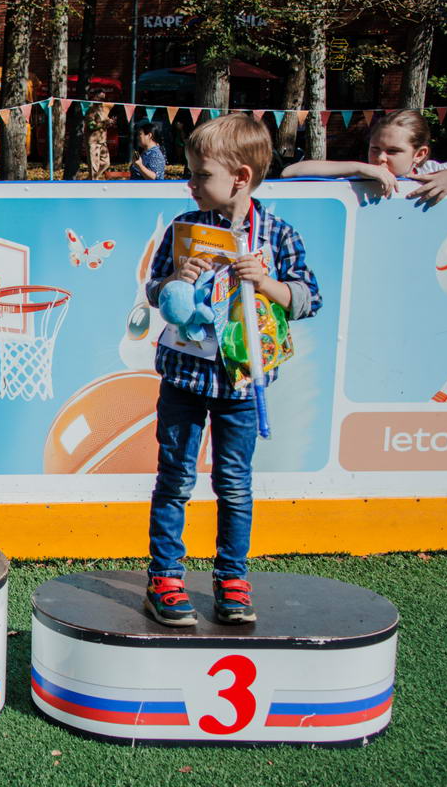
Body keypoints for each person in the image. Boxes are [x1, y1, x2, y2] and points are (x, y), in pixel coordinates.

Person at [143, 113, 321, 627]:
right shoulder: (184, 228)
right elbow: (154, 292)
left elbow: (308, 299)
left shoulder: (278, 235)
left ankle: (232, 579)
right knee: (175, 479)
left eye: (201, 175)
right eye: (190, 173)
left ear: (240, 178)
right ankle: (165, 578)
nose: (191, 183)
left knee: (235, 484)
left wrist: (266, 283)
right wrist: (175, 279)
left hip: (243, 383)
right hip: (184, 377)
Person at [281, 108, 447, 204]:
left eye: (393, 151)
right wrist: (357, 168)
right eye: (375, 149)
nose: (380, 158)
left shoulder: (434, 172)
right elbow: (289, 172)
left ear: (420, 154)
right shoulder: (361, 174)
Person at [85, 91, 112, 180]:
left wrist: (110, 122)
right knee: (94, 168)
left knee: (106, 163)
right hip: (93, 142)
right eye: (100, 98)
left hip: (102, 141)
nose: (102, 100)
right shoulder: (91, 110)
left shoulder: (104, 110)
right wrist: (104, 123)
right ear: (94, 98)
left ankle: (91, 179)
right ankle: (93, 181)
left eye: (104, 98)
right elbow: (91, 126)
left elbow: (105, 124)